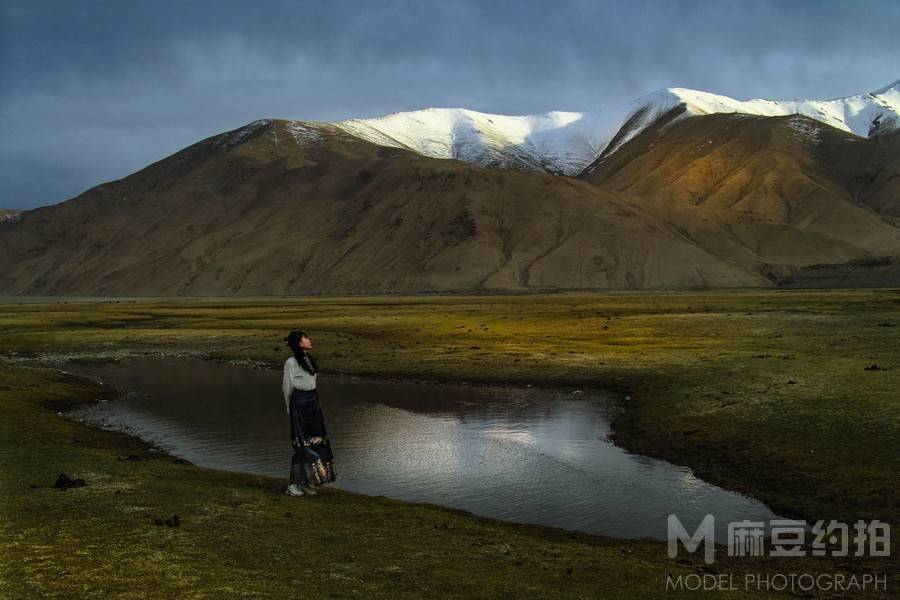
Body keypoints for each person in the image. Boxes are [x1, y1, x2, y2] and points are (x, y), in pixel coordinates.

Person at [282, 329, 337, 497]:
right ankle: (293, 485)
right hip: (299, 403)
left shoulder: (308, 360)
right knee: (302, 445)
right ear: (299, 343)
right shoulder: (291, 362)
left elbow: (312, 383)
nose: (309, 340)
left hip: (312, 403)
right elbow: (287, 386)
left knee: (315, 442)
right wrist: (290, 408)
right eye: (306, 338)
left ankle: (305, 483)